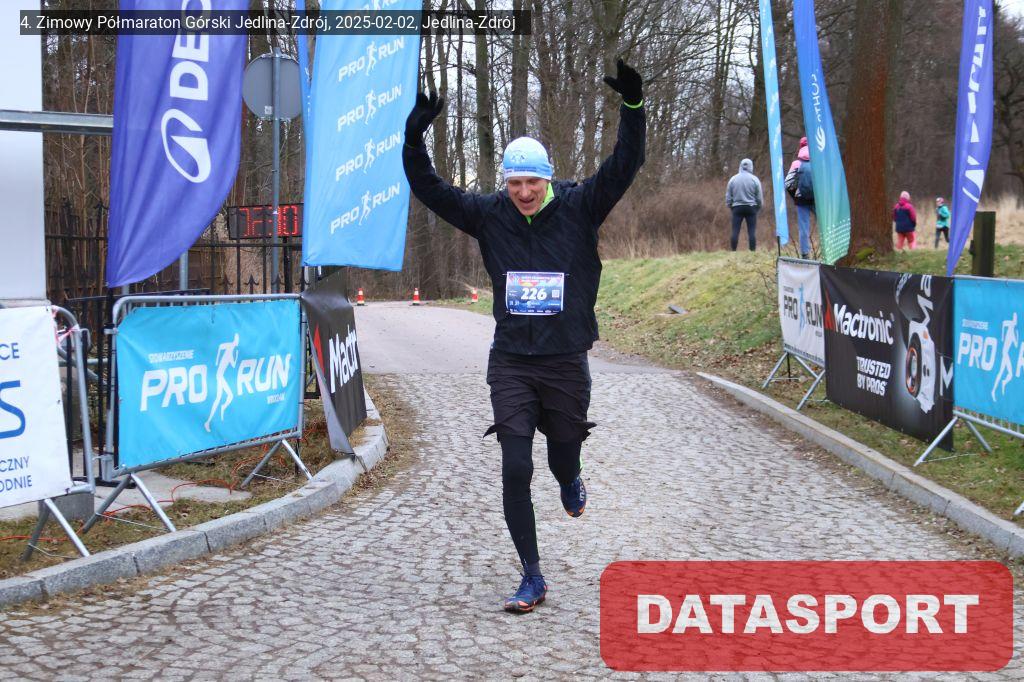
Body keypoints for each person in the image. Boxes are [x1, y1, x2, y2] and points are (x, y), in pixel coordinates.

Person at [402, 60, 645, 614]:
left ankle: (571, 476)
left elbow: (624, 165)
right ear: (505, 184)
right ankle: (532, 575)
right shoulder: (490, 215)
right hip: (511, 361)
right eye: (515, 183)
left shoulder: (581, 207)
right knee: (515, 467)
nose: (524, 192)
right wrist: (414, 139)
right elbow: (431, 190)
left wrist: (633, 108)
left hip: (564, 362)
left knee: (561, 456)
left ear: (548, 179)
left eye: (533, 182)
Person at [784, 136, 815, 259]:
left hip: (801, 199)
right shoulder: (818, 161)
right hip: (817, 199)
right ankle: (829, 250)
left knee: (804, 227)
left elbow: (788, 183)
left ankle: (805, 254)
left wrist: (795, 196)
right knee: (825, 223)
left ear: (800, 147)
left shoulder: (796, 163)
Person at [725, 158, 763, 251]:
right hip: (751, 208)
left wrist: (730, 206)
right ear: (751, 166)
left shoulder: (733, 179)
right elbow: (759, 197)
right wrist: (758, 207)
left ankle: (733, 251)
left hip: (737, 208)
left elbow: (728, 196)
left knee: (735, 231)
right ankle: (752, 251)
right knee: (751, 231)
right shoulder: (755, 179)